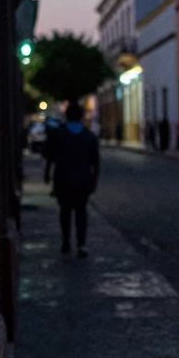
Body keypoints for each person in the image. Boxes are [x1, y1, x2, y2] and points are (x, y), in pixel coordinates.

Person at [44, 100, 100, 258]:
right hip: (83, 180)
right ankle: (81, 244)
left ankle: (66, 242)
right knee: (81, 212)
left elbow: (50, 157)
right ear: (82, 117)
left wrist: (47, 174)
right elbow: (95, 163)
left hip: (63, 179)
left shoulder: (58, 134)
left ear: (66, 116)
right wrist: (94, 181)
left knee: (65, 211)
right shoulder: (89, 136)